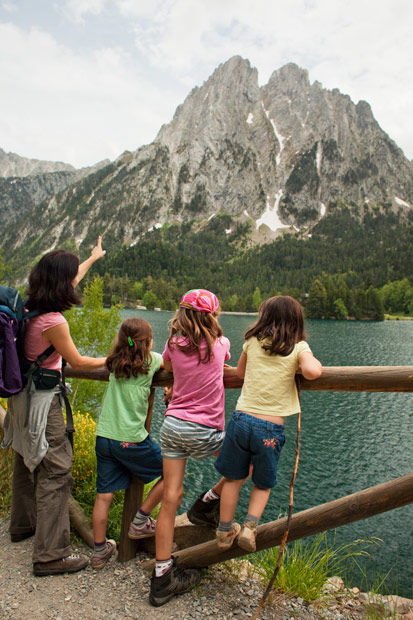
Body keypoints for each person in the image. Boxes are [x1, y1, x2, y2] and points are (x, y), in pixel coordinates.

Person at [3, 238, 107, 576]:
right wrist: (115, 358)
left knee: (24, 455)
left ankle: (22, 525)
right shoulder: (54, 322)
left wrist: (92, 258)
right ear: (62, 284)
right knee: (56, 469)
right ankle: (50, 555)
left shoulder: (32, 305)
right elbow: (77, 360)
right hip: (44, 403)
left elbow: (73, 277)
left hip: (21, 399)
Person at [215, 295, 322, 552]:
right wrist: (308, 360)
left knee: (232, 479)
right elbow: (313, 372)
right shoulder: (298, 346)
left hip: (240, 421)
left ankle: (223, 530)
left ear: (265, 317)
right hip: (269, 431)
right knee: (262, 483)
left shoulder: (252, 341)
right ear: (296, 320)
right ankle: (249, 528)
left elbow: (240, 373)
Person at [149, 289, 231, 607]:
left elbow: (170, 364)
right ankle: (207, 502)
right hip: (205, 432)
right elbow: (221, 364)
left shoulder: (171, 344)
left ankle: (162, 577)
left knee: (170, 499)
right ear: (211, 317)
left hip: (171, 428)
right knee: (250, 459)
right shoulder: (220, 344)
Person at [91, 317, 164, 569]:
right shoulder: (152, 361)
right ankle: (141, 520)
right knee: (172, 473)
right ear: (149, 342)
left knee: (104, 496)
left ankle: (99, 551)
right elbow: (174, 366)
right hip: (130, 441)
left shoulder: (113, 364)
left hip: (105, 438)